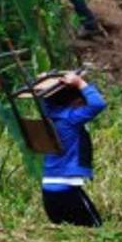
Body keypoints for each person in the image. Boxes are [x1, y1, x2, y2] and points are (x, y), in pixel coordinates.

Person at [39, 72, 107, 227]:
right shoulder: (71, 119)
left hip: (47, 188)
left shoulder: (49, 115)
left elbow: (45, 99)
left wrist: (46, 84)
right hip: (67, 187)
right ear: (76, 102)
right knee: (95, 228)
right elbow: (98, 104)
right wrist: (80, 83)